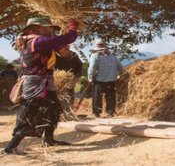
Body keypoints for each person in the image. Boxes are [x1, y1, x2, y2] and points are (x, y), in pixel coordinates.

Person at [3, 17, 79, 155]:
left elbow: (59, 46)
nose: (49, 30)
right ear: (35, 28)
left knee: (54, 108)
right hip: (35, 81)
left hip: (43, 79)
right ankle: (10, 147)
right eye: (46, 27)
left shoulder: (31, 40)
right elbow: (65, 39)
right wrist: (72, 28)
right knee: (28, 111)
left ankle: (48, 139)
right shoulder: (38, 41)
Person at [88, 40, 123, 118]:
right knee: (110, 96)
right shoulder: (114, 57)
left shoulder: (95, 56)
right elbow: (120, 67)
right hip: (111, 80)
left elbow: (92, 68)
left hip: (99, 80)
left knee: (97, 96)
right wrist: (120, 75)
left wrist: (90, 78)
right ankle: (110, 112)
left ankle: (97, 113)